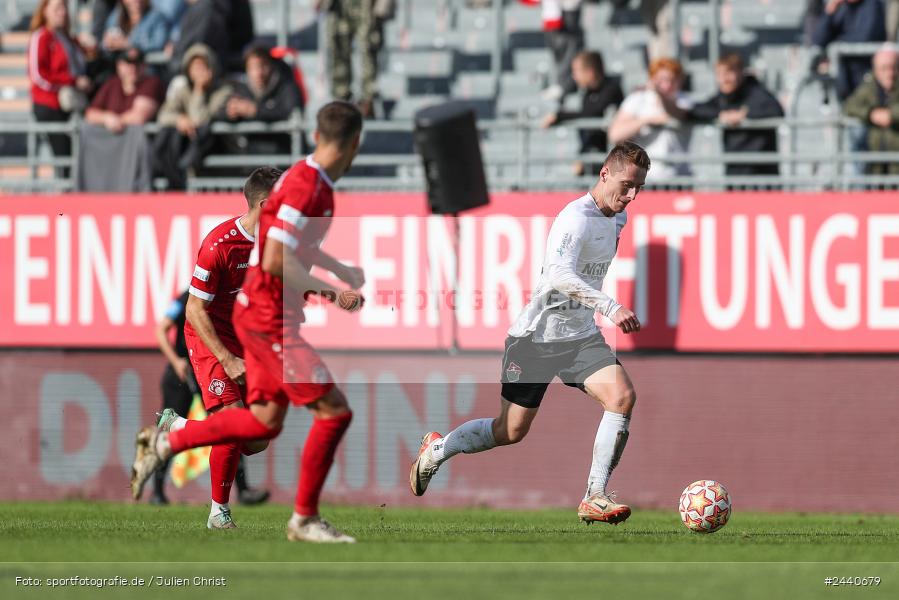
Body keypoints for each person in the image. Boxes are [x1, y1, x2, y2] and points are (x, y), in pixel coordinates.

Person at [132, 101, 367, 543]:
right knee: (333, 411)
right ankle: (297, 518)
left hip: (258, 323)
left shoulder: (305, 182)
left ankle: (174, 435)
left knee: (258, 432)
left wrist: (340, 271)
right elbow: (274, 264)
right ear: (356, 143)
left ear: (315, 135)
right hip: (255, 324)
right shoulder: (295, 196)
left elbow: (293, 250)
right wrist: (334, 291)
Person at [410, 142, 649, 526]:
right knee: (510, 430)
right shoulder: (576, 218)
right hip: (535, 338)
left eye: (639, 187)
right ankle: (438, 449)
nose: (632, 195)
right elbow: (558, 274)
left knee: (622, 397)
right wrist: (611, 306)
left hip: (580, 337)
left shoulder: (618, 218)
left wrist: (593, 313)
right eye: (626, 184)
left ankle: (595, 495)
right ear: (604, 174)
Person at [148, 167, 282, 527]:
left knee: (258, 439)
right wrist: (226, 357)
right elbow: (193, 309)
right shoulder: (219, 245)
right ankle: (218, 512)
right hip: (211, 341)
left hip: (247, 344)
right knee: (235, 422)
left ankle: (179, 428)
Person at [152, 289, 271, 507]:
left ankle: (242, 491)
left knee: (231, 424)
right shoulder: (186, 298)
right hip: (182, 372)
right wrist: (176, 360)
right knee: (230, 425)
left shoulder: (227, 298)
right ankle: (157, 491)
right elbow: (161, 330)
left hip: (209, 367)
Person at [78, 47, 163, 191]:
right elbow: (90, 113)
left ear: (144, 66)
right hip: (112, 158)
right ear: (119, 66)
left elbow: (139, 116)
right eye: (128, 63)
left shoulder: (152, 83)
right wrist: (106, 118)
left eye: (137, 63)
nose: (132, 68)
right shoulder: (113, 83)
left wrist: (116, 121)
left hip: (138, 155)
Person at [689, 53, 784, 177]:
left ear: (740, 73)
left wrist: (744, 115)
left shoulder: (756, 92)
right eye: (719, 75)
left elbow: (776, 110)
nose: (724, 79)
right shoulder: (722, 97)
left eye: (728, 73)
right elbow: (697, 110)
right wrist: (722, 114)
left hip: (761, 174)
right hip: (734, 172)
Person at [153, 43, 232, 190]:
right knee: (168, 132)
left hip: (211, 146)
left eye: (202, 66)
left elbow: (200, 119)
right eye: (195, 67)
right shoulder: (182, 89)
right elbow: (163, 115)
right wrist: (180, 120)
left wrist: (199, 90)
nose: (199, 72)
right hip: (183, 145)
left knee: (201, 131)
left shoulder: (223, 91)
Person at [28, 0, 90, 177]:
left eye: (64, 8)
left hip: (73, 104)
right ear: (45, 11)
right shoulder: (41, 37)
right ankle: (64, 197)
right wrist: (71, 81)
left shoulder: (68, 39)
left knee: (77, 153)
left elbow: (81, 64)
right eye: (56, 8)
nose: (61, 12)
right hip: (50, 104)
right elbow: (38, 75)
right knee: (63, 155)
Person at [541, 50, 624, 176]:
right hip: (592, 161)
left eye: (576, 71)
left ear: (589, 72)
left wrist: (559, 116)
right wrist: (581, 156)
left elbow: (591, 114)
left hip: (612, 165)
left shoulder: (612, 90)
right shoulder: (587, 93)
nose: (574, 76)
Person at [608, 57, 691, 182]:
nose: (667, 85)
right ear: (652, 79)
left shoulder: (684, 100)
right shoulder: (637, 99)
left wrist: (660, 95)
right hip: (643, 177)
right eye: (662, 80)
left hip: (678, 178)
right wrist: (645, 121)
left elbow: (677, 113)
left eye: (672, 80)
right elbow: (615, 135)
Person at [221, 46, 304, 160]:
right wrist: (230, 112)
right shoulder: (241, 90)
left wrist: (255, 111)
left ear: (271, 65)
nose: (258, 73)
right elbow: (218, 114)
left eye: (262, 66)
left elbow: (291, 112)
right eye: (253, 67)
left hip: (282, 157)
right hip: (251, 161)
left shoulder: (287, 86)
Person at [319, 0, 393, 118]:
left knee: (368, 50)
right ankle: (341, 100)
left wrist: (384, 5)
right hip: (339, 6)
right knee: (339, 50)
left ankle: (368, 101)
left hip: (367, 5)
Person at [813, 0, 886, 100]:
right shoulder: (839, 7)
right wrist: (829, 13)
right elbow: (819, 40)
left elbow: (865, 37)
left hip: (865, 70)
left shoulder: (873, 5)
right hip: (842, 72)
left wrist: (836, 44)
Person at [845, 44, 899, 174]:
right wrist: (870, 114)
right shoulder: (870, 87)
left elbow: (890, 116)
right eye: (884, 68)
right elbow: (849, 106)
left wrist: (891, 115)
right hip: (875, 167)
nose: (889, 73)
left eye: (893, 68)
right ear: (875, 69)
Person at [540, 0, 585, 103]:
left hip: (569, 7)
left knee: (570, 44)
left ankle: (567, 84)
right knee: (557, 45)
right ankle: (562, 82)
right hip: (551, 9)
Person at [101, 0, 170, 55]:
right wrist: (109, 43)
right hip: (119, 65)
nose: (136, 1)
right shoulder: (116, 16)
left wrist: (129, 44)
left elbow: (159, 44)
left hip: (146, 67)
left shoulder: (157, 17)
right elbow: (105, 43)